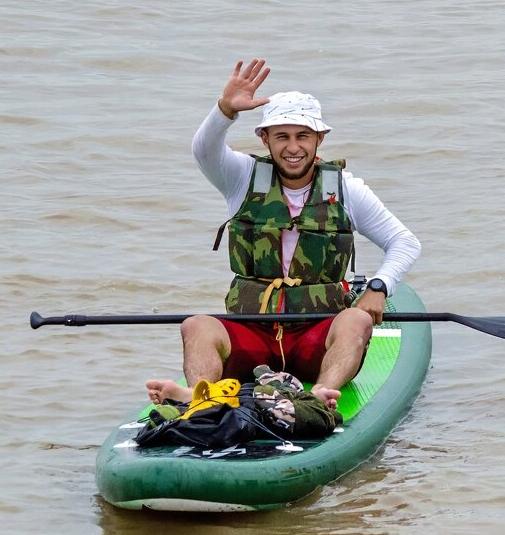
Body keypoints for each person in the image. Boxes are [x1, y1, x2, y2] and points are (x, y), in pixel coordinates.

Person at [146, 59, 422, 409]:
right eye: (282, 137)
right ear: (265, 138)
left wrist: (380, 286)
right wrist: (224, 110)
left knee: (356, 319)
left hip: (315, 339)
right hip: (253, 334)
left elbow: (404, 243)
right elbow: (203, 151)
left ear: (319, 139)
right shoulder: (240, 177)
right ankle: (200, 395)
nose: (293, 148)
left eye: (303, 136)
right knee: (197, 325)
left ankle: (322, 393)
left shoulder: (346, 190)